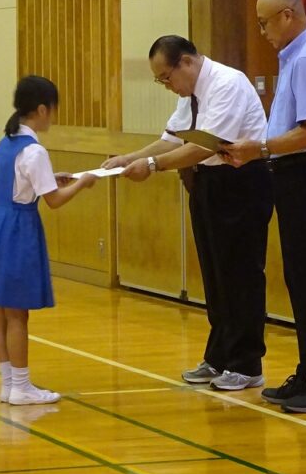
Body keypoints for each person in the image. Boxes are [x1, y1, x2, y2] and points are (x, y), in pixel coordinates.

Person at [102, 36, 272, 391]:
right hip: (209, 183)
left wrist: (152, 165)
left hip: (241, 183)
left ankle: (246, 363)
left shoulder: (227, 83)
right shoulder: (190, 93)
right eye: (160, 81)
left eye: (166, 77)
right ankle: (220, 355)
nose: (167, 86)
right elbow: (172, 139)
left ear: (186, 62)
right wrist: (130, 158)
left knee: (239, 272)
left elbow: (205, 146)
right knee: (214, 272)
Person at [222, 0, 306, 414]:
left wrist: (259, 148)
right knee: (300, 279)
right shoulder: (295, 58)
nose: (262, 32)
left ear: (287, 15)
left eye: (264, 23)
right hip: (296, 177)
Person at [0, 75, 97, 405]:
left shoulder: (6, 142)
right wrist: (83, 182)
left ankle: (9, 384)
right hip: (17, 229)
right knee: (18, 314)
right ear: (42, 109)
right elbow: (54, 201)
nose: (53, 117)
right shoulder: (34, 150)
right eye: (53, 109)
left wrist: (51, 179)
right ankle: (22, 387)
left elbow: (22, 183)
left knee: (0, 311)